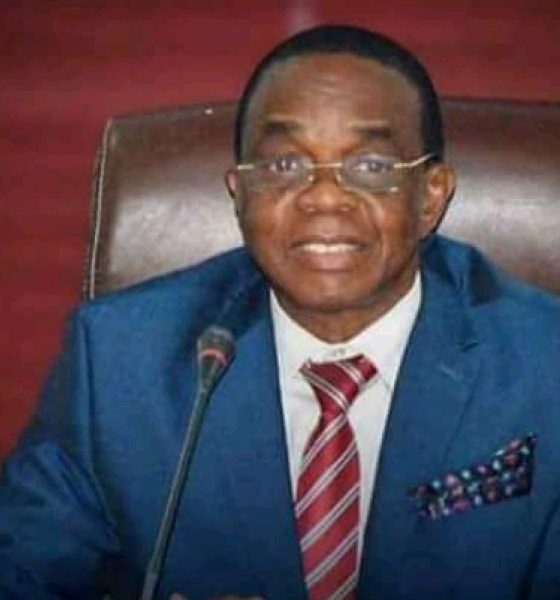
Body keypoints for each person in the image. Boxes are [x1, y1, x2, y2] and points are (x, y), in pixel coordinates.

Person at [1, 23, 560, 600]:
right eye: (284, 165)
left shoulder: (545, 363)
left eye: (371, 166)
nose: (324, 197)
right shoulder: (121, 362)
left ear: (431, 196)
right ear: (239, 194)